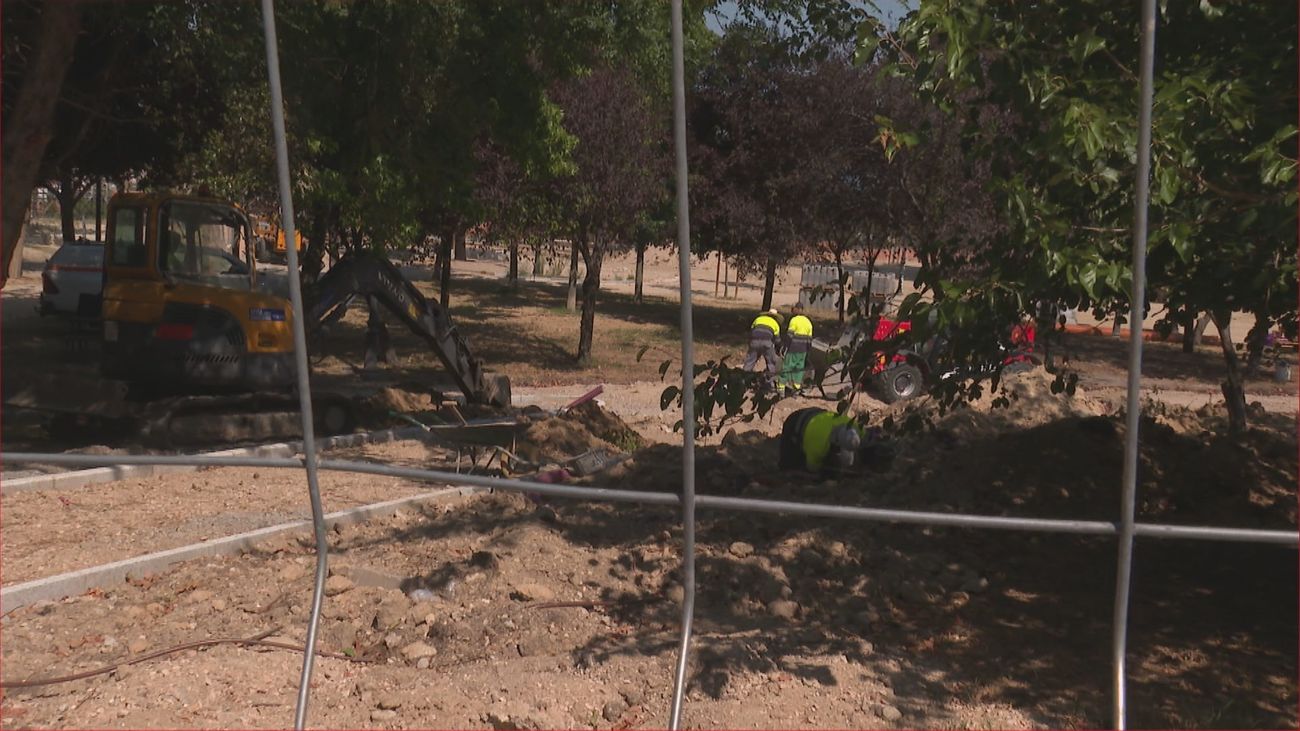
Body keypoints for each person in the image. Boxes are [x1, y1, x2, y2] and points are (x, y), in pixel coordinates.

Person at [777, 407, 864, 475]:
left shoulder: (856, 427)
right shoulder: (818, 446)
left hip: (818, 414)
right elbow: (812, 468)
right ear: (836, 442)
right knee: (791, 467)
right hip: (796, 422)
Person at [743, 308, 782, 391]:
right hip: (767, 344)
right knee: (771, 363)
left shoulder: (758, 319)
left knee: (750, 362)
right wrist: (777, 350)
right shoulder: (775, 324)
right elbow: (777, 340)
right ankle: (770, 384)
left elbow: (751, 331)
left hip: (754, 342)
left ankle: (743, 381)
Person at [779, 304, 813, 397]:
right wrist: (808, 351)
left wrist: (785, 347)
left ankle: (781, 388)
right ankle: (796, 389)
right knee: (799, 369)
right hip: (803, 350)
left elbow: (789, 335)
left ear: (798, 309)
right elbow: (809, 340)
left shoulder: (794, 320)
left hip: (793, 348)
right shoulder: (808, 322)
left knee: (787, 367)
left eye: (794, 309)